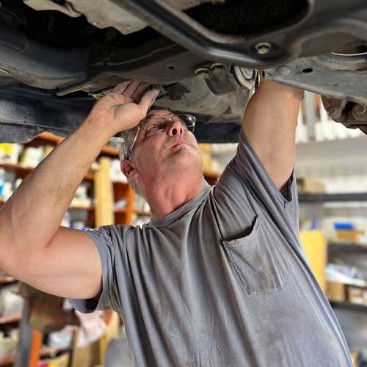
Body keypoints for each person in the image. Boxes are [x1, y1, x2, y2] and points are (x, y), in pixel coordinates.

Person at [0, 79, 351, 367]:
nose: (175, 127)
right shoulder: (126, 259)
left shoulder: (249, 195)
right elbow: (15, 247)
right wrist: (101, 125)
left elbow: (282, 81)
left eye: (182, 124)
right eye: (154, 128)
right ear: (130, 169)